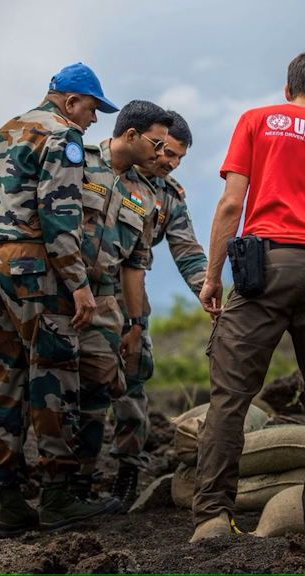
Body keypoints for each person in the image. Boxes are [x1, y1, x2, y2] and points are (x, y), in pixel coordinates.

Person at [190, 50, 305, 541]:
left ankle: (212, 517)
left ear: (287, 88)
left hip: (264, 269)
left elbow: (231, 205)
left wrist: (212, 277)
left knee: (231, 396)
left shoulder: (256, 121)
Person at [0, 62, 121, 537]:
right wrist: (78, 283)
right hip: (38, 271)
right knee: (54, 375)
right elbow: (59, 213)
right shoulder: (63, 136)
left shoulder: (3, 133)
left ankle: (7, 502)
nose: (93, 119)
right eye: (92, 108)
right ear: (71, 101)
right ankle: (57, 496)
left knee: (4, 381)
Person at [68, 100, 173, 506]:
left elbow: (135, 265)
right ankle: (3, 487)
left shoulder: (144, 194)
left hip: (104, 301)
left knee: (97, 391)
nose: (161, 153)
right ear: (130, 135)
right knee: (34, 389)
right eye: (157, 143)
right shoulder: (76, 161)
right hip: (58, 293)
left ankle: (79, 487)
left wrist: (134, 323)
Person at [106, 110, 208, 512]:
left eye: (180, 157)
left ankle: (127, 471)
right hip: (83, 294)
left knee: (132, 381)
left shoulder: (170, 196)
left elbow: (188, 251)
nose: (172, 162)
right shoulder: (105, 170)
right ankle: (70, 477)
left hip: (130, 302)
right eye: (168, 152)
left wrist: (208, 292)